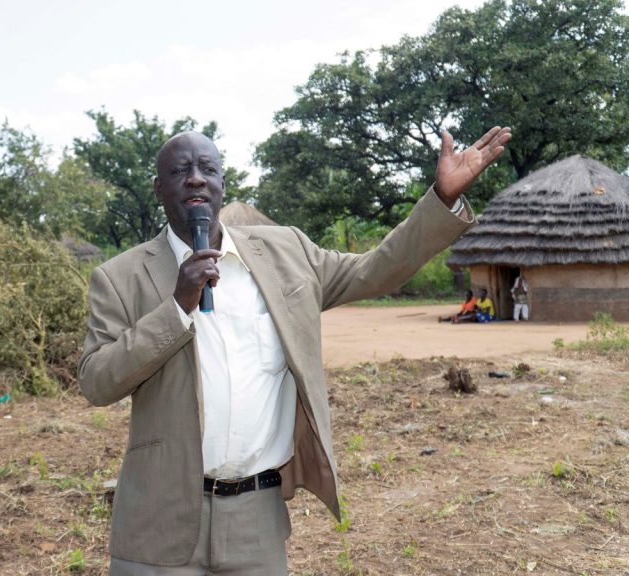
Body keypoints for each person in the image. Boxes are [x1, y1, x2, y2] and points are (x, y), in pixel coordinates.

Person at [78, 126, 511, 574]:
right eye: (179, 170)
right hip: (158, 518)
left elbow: (377, 270)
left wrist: (439, 199)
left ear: (223, 184)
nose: (195, 179)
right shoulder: (120, 277)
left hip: (256, 519)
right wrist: (176, 307)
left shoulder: (286, 253)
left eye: (207, 168)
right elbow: (96, 380)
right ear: (158, 187)